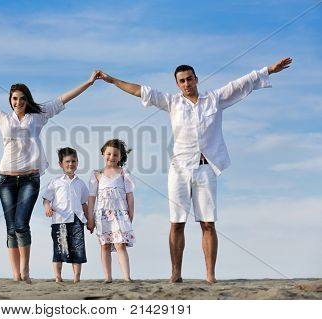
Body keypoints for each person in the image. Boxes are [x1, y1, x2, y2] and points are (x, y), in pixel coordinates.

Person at [96, 57, 292, 283]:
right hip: (179, 169)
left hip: (206, 167)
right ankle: (176, 274)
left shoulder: (214, 99)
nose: (186, 83)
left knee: (208, 223)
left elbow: (241, 84)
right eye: (182, 81)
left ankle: (210, 276)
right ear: (177, 84)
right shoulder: (172, 102)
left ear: (196, 79)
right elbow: (140, 91)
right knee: (177, 222)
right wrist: (111, 80)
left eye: (189, 79)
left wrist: (268, 70)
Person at [0, 70, 99, 283]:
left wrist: (88, 82)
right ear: (10, 100)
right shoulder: (2, 117)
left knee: (22, 224)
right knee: (11, 228)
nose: (19, 102)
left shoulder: (38, 116)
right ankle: (15, 274)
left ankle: (25, 271)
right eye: (15, 98)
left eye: (23, 98)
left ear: (27, 99)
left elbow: (63, 98)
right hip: (6, 179)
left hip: (30, 179)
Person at [88, 139, 136, 283]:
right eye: (109, 154)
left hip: (120, 213)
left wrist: (130, 214)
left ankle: (126, 277)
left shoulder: (123, 173)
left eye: (115, 155)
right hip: (102, 214)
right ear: (103, 154)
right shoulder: (97, 174)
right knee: (105, 245)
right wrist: (90, 218)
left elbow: (130, 196)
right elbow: (91, 197)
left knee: (120, 244)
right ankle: (108, 277)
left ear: (120, 157)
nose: (111, 157)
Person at [42, 147, 91, 283]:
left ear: (77, 163)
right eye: (67, 161)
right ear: (61, 164)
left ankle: (76, 277)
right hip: (59, 220)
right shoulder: (55, 182)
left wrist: (89, 221)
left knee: (78, 247)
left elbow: (84, 203)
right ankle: (58, 276)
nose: (71, 164)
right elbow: (46, 198)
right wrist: (47, 207)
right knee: (60, 247)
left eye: (73, 161)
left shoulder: (81, 183)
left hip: (77, 219)